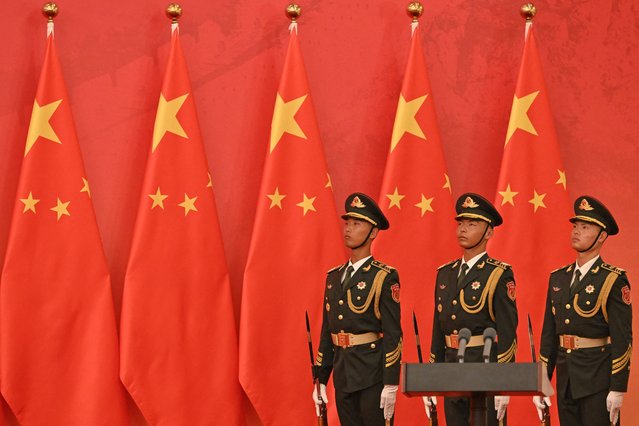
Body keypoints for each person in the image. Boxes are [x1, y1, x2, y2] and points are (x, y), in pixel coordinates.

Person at [533, 196, 632, 425]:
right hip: (566, 379)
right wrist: (541, 383)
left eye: (585, 227)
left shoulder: (613, 279)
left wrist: (618, 388)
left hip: (597, 381)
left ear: (602, 236)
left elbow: (622, 338)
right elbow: (549, 336)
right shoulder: (558, 278)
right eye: (576, 226)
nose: (576, 231)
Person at [424, 193, 518, 425]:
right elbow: (439, 328)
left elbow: (507, 334)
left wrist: (504, 383)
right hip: (451, 367)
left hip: (483, 368)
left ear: (488, 232)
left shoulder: (498, 274)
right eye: (461, 223)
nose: (463, 229)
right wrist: (432, 376)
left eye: (472, 224)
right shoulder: (445, 273)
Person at [313, 192, 402, 425]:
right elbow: (327, 331)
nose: (349, 229)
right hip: (343, 374)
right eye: (348, 223)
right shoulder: (334, 277)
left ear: (373, 232)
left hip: (372, 374)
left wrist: (391, 382)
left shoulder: (384, 277)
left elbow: (393, 334)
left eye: (357, 223)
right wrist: (320, 378)